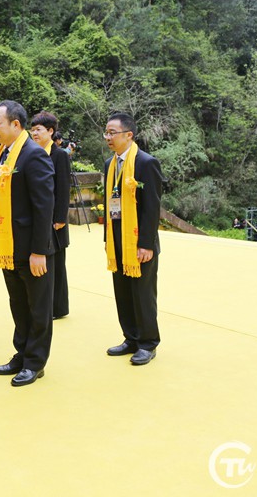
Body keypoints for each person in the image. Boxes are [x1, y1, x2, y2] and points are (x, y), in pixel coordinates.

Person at [0, 101, 55, 387]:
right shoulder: (4, 155)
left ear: (16, 125)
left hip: (31, 249)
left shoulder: (33, 155)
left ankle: (35, 362)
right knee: (18, 304)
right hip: (9, 247)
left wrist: (39, 251)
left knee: (38, 307)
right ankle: (22, 352)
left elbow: (44, 207)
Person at [102, 112, 163, 366]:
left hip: (139, 241)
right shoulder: (110, 164)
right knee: (123, 291)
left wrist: (146, 244)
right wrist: (108, 239)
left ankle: (148, 343)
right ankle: (130, 337)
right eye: (106, 133)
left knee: (142, 293)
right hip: (117, 240)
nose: (108, 137)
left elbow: (152, 207)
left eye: (112, 133)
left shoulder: (146, 163)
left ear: (129, 135)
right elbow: (110, 204)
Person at [30, 111, 71, 319]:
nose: (34, 133)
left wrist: (60, 218)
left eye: (39, 129)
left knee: (56, 263)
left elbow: (63, 187)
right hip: (40, 217)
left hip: (55, 219)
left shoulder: (59, 155)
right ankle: (48, 305)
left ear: (50, 131)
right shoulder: (32, 153)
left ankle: (58, 307)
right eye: (33, 130)